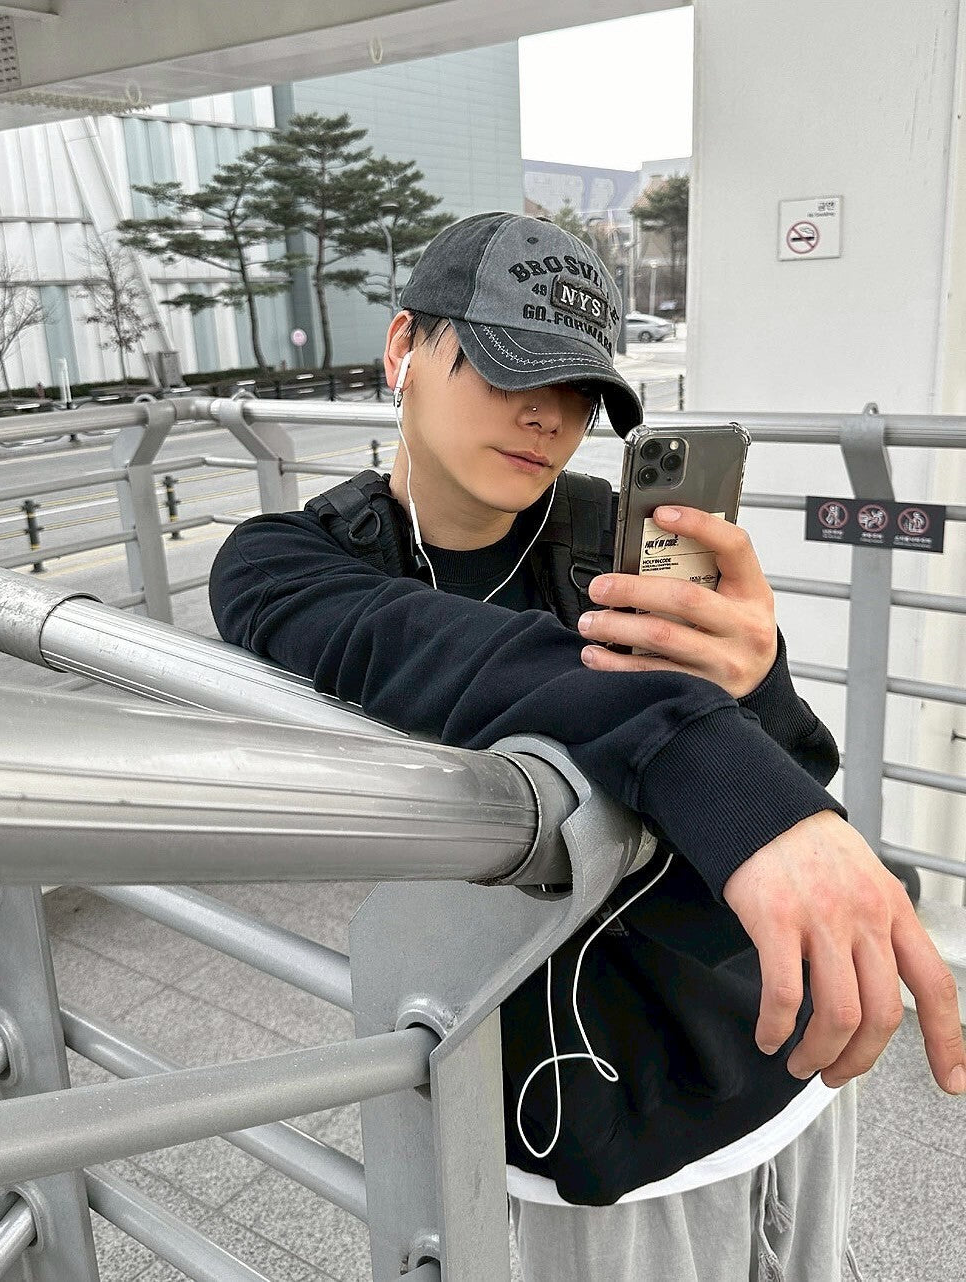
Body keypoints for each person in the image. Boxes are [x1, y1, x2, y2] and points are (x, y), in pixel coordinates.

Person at [209, 212, 964, 1281]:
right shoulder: (290, 561)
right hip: (586, 1120)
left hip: (779, 1052)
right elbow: (454, 653)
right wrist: (701, 752)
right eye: (507, 364)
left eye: (577, 391)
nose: (547, 417)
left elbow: (794, 774)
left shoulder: (615, 538)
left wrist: (756, 678)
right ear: (404, 347)